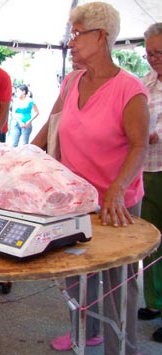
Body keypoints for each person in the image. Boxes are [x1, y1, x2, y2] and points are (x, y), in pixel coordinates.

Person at [31, 3, 149, 354]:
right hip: (73, 201)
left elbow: (140, 144)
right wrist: (23, 158)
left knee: (117, 284)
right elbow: (50, 127)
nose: (71, 42)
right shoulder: (71, 81)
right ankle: (86, 331)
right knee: (76, 276)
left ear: (101, 37)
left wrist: (117, 188)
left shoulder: (130, 89)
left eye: (77, 34)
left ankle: (122, 347)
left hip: (117, 203)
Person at [138, 22, 162, 344]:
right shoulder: (145, 83)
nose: (154, 59)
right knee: (150, 242)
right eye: (149, 54)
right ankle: (154, 301)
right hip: (147, 171)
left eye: (159, 52)